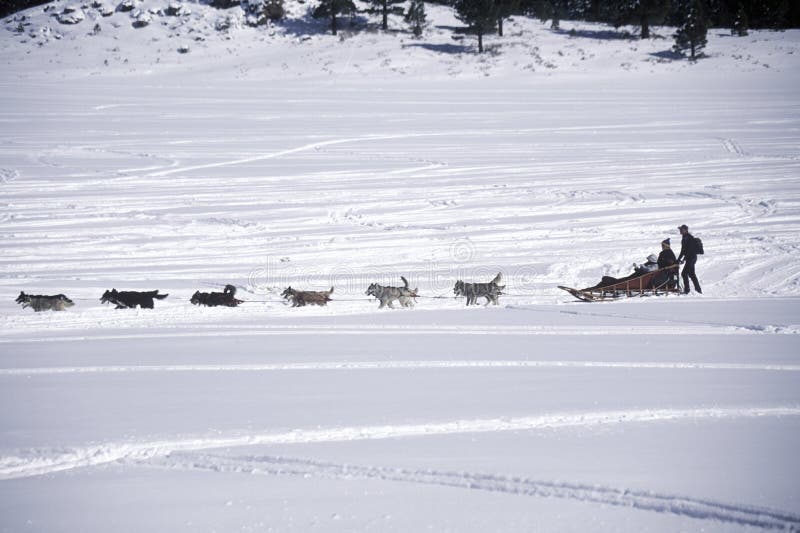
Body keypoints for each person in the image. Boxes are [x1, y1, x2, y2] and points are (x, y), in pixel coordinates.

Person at [677, 224, 701, 294]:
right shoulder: (684, 238)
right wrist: (678, 259)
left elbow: (690, 250)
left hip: (692, 258)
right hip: (689, 258)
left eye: (681, 230)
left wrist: (684, 259)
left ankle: (687, 290)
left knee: (684, 273)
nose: (680, 231)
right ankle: (698, 290)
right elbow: (683, 250)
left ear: (685, 230)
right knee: (692, 274)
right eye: (680, 229)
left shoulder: (690, 238)